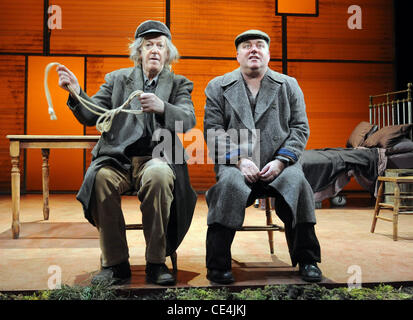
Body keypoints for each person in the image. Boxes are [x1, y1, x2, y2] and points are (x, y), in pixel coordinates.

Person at [56, 20, 197, 286]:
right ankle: (115, 264)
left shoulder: (179, 84)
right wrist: (76, 92)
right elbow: (90, 114)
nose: (154, 50)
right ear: (138, 52)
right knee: (100, 179)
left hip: (156, 159)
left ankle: (156, 262)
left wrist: (162, 107)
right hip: (117, 160)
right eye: (148, 45)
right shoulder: (117, 79)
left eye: (160, 45)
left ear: (168, 54)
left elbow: (188, 120)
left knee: (158, 175)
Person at [203, 29, 322, 284]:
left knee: (298, 184)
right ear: (237, 55)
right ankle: (217, 264)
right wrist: (239, 159)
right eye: (247, 46)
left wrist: (281, 161)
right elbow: (213, 130)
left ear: (268, 54)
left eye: (259, 45)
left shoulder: (288, 85)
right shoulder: (218, 86)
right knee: (228, 186)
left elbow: (300, 128)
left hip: (280, 163)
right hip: (236, 165)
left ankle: (308, 259)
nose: (253, 49)